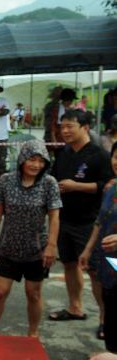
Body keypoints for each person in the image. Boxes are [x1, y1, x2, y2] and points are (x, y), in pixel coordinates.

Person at [0, 140, 61, 337]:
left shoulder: (49, 183)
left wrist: (52, 246)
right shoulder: (6, 180)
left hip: (36, 249)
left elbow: (54, 217)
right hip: (8, 246)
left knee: (33, 293)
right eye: (31, 159)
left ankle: (33, 332)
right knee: (0, 292)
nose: (36, 165)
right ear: (22, 159)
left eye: (40, 161)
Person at [48, 109, 112, 327]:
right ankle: (75, 307)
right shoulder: (64, 153)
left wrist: (78, 186)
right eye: (62, 126)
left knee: (94, 271)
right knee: (69, 264)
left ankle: (105, 319)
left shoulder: (99, 155)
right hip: (64, 218)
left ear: (85, 128)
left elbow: (108, 186)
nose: (64, 131)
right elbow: (53, 179)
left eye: (69, 126)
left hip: (89, 222)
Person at [79, 141, 117, 347]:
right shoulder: (111, 187)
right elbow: (100, 221)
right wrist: (88, 249)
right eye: (116, 156)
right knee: (110, 305)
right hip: (109, 262)